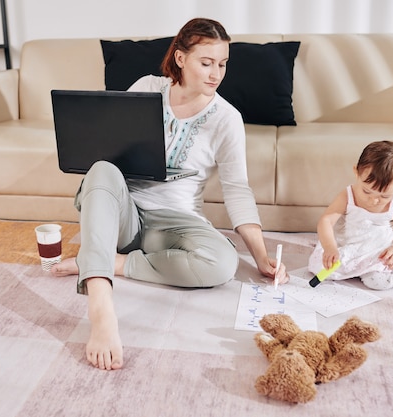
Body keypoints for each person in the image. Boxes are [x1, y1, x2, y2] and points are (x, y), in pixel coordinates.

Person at [50, 18, 289, 370]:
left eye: (222, 64)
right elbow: (108, 148)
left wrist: (261, 257)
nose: (216, 74)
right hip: (124, 215)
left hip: (173, 227)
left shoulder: (226, 118)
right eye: (206, 63)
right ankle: (101, 307)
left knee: (223, 263)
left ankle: (108, 261)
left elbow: (237, 190)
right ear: (180, 58)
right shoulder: (146, 87)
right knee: (100, 168)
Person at [308, 140, 393, 290]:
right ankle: (354, 270)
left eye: (385, 196)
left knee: (379, 282)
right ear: (356, 172)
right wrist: (330, 247)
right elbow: (326, 221)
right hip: (350, 246)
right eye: (366, 191)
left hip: (377, 251)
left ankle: (383, 271)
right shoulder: (348, 195)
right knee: (319, 267)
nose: (374, 200)